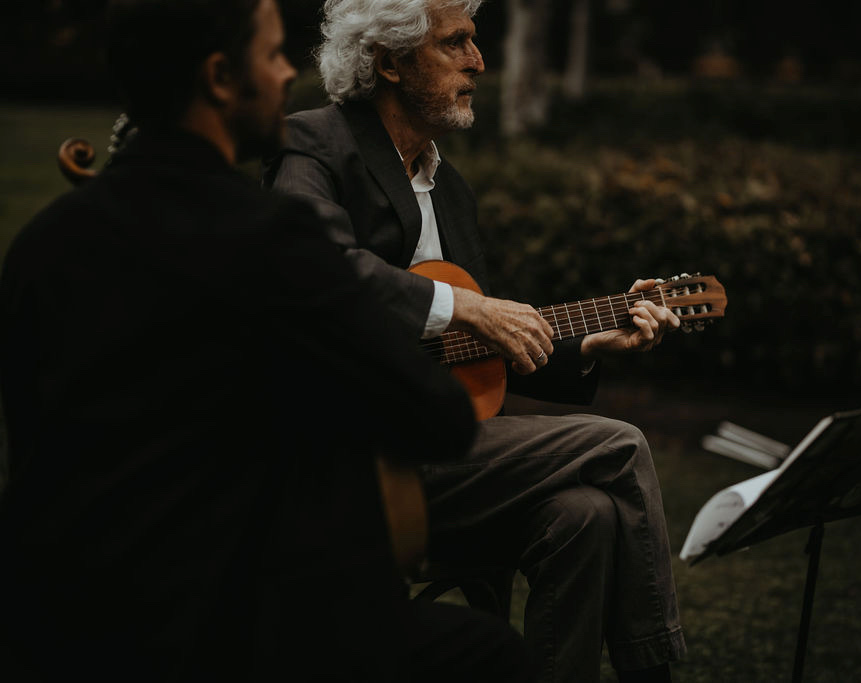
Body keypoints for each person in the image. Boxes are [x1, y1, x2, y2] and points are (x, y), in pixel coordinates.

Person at [0, 0, 532, 680]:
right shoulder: (273, 240)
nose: (288, 75)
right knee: (491, 654)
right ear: (221, 77)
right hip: (229, 620)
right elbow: (437, 417)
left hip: (56, 620)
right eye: (274, 55)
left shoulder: (42, 244)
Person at [263, 1, 687, 681]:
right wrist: (462, 303)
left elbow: (475, 349)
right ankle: (655, 668)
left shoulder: (450, 190)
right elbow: (313, 265)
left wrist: (589, 345)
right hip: (351, 458)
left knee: (586, 515)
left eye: (475, 42)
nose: (479, 62)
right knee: (620, 443)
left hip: (442, 456)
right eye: (455, 43)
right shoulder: (314, 143)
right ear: (391, 63)